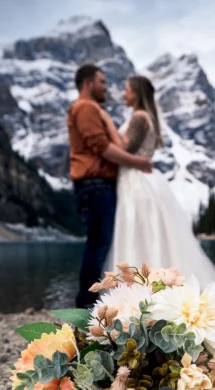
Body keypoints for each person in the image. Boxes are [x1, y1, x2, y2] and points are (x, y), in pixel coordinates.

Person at [98, 74, 215, 285]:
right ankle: (153, 284)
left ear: (136, 94)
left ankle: (139, 286)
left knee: (135, 232)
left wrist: (107, 124)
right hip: (140, 179)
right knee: (148, 232)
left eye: (127, 90)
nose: (123, 93)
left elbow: (125, 148)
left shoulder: (139, 117)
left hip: (135, 180)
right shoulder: (146, 116)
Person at [68, 64, 153, 309]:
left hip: (98, 185)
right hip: (95, 184)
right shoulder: (85, 107)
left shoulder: (92, 109)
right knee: (98, 243)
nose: (107, 87)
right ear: (87, 84)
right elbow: (101, 147)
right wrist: (137, 162)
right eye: (102, 82)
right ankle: (86, 302)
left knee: (100, 243)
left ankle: (93, 301)